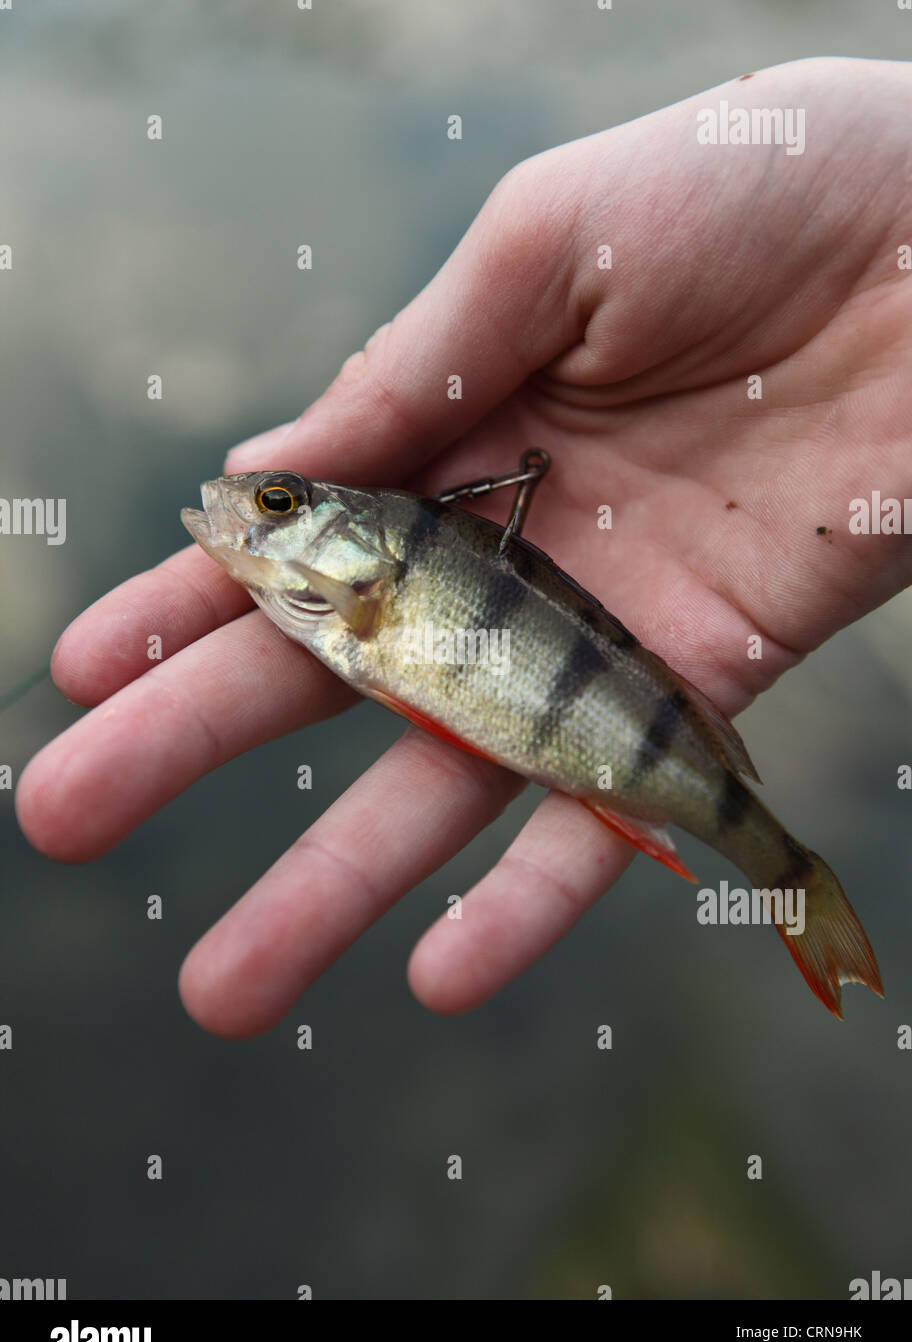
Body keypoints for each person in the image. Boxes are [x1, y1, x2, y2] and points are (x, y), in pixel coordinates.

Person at [16, 56, 912, 1037]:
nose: (251, 509)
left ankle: (788, 876)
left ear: (352, 547)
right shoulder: (353, 595)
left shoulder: (364, 597)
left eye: (278, 502)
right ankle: (783, 871)